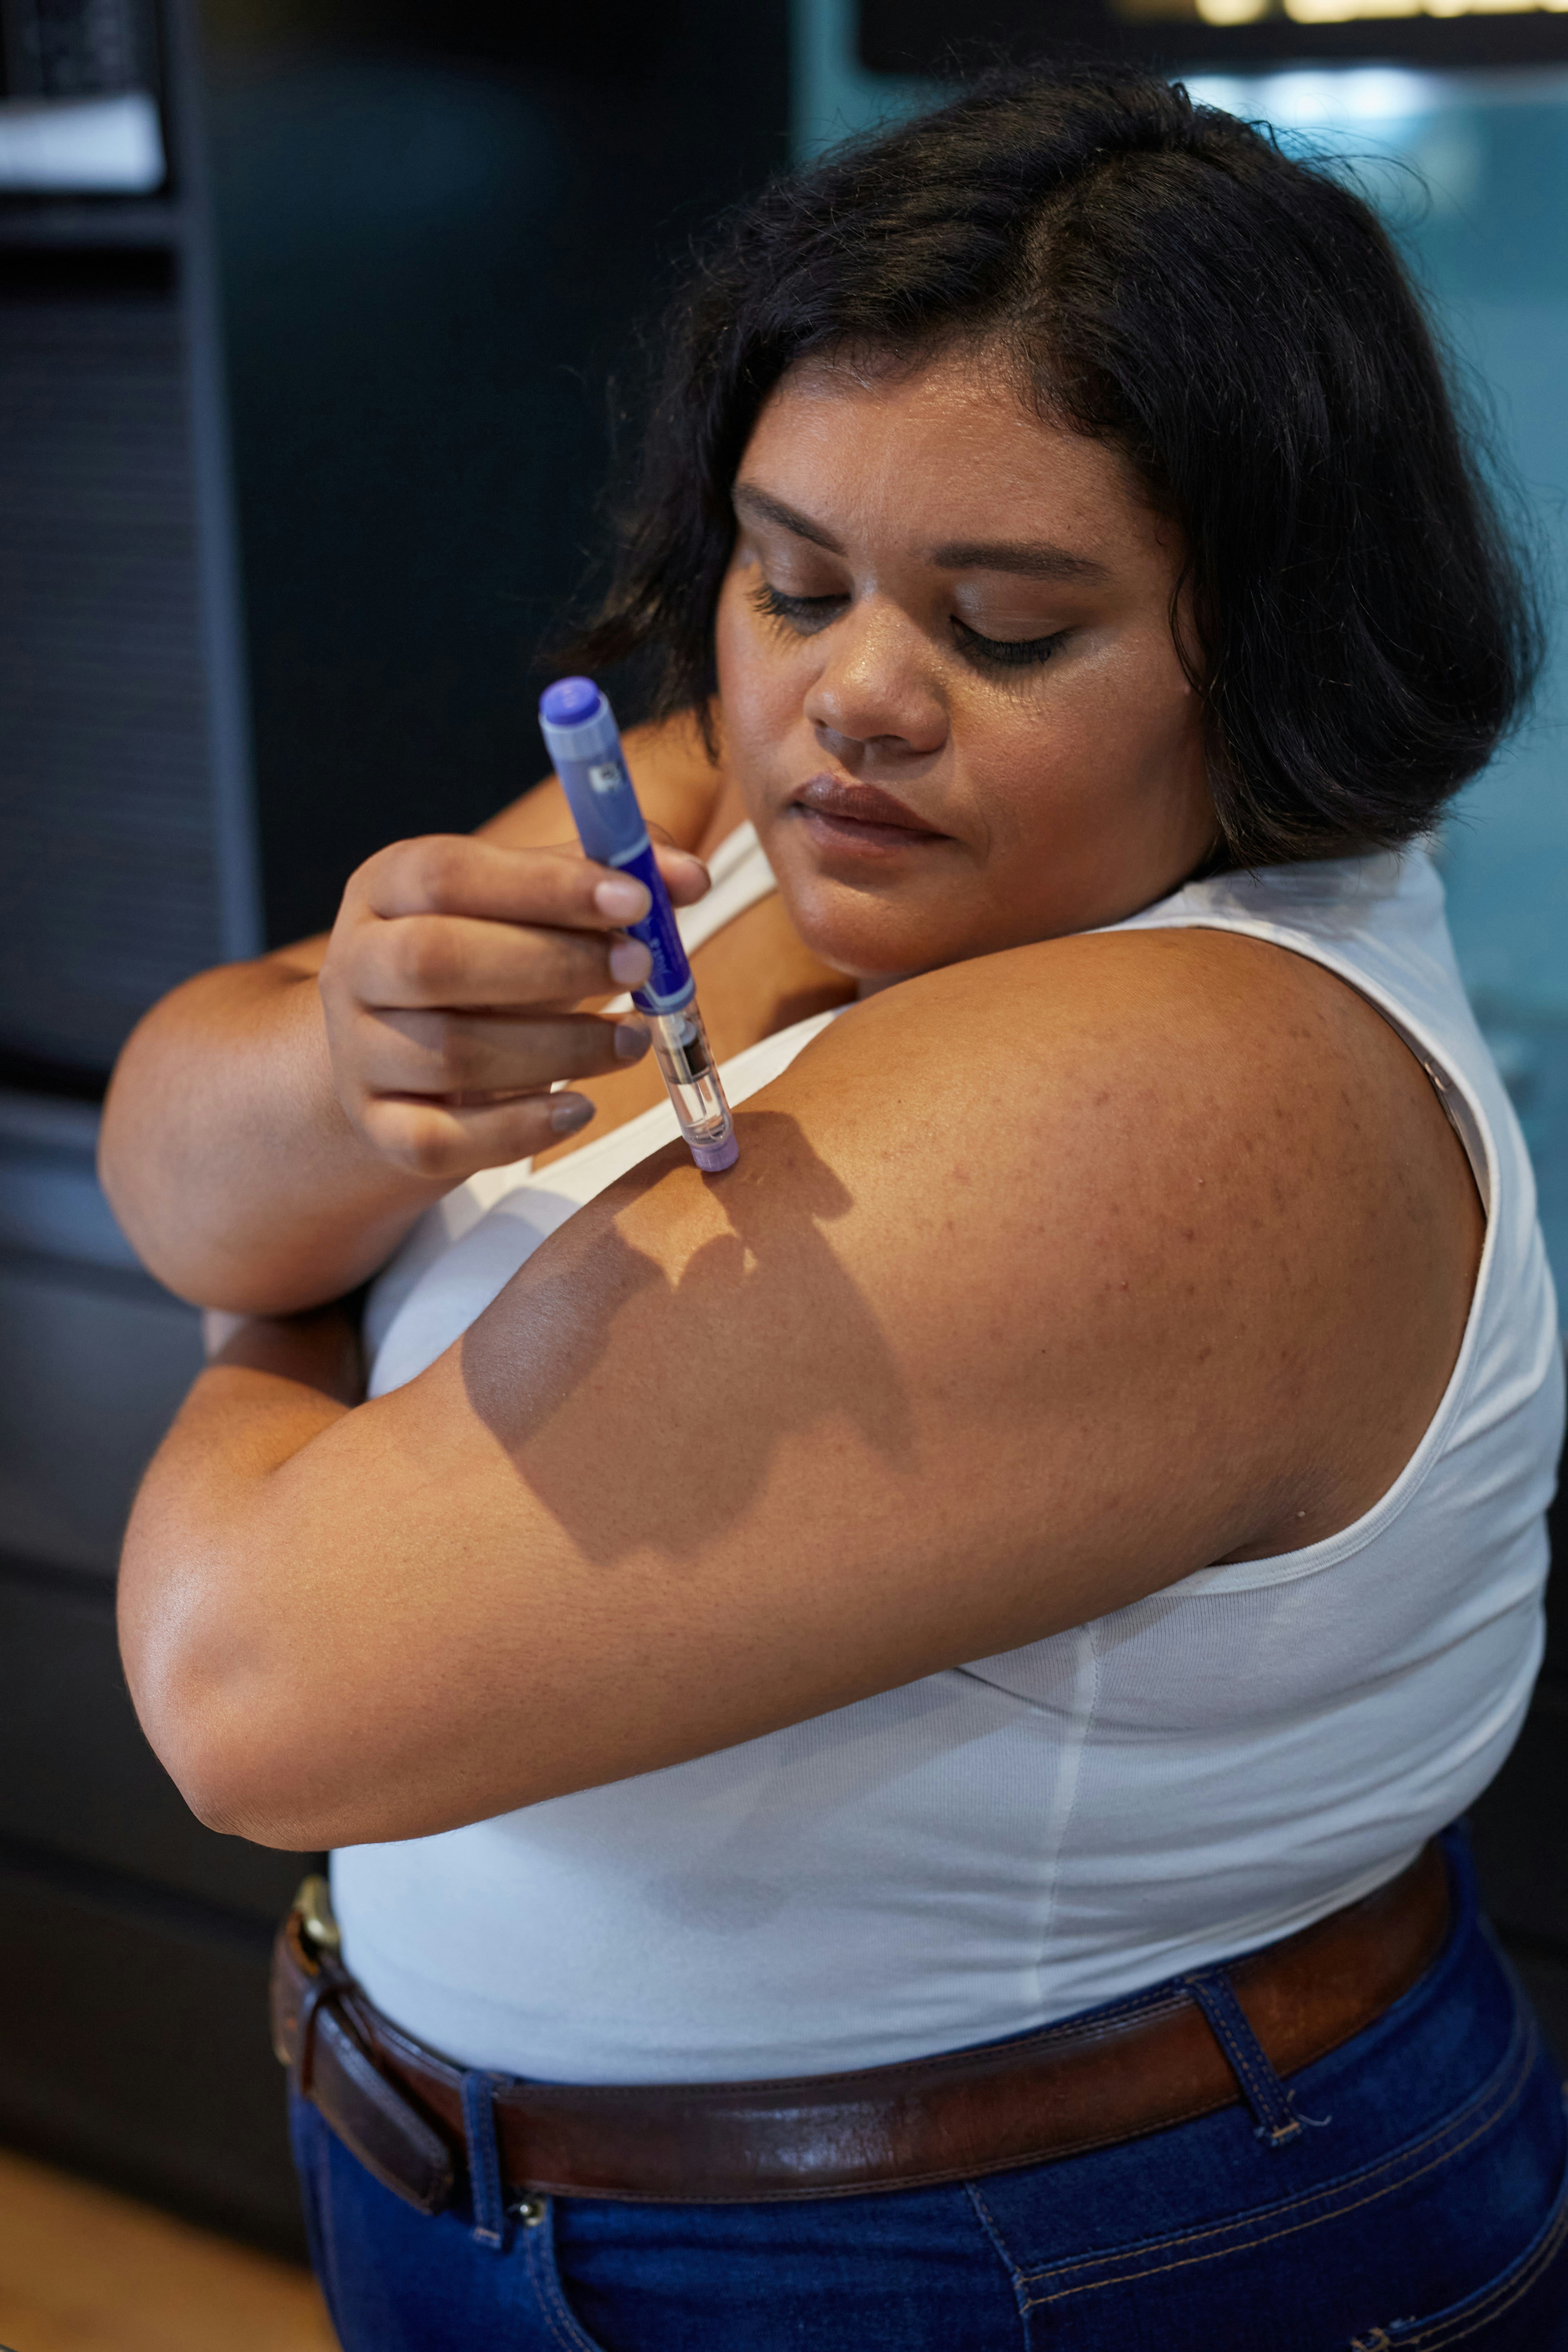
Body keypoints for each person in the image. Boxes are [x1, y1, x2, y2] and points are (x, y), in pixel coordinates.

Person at [103, 65, 1566, 2350]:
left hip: (996, 2259)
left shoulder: (1175, 1092)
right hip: (527, 2198)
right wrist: (337, 1064)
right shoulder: (784, 795)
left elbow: (244, 1692)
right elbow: (182, 1143)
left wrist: (289, 1294)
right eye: (791, 577)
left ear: (1269, 640)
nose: (850, 695)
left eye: (1006, 629)